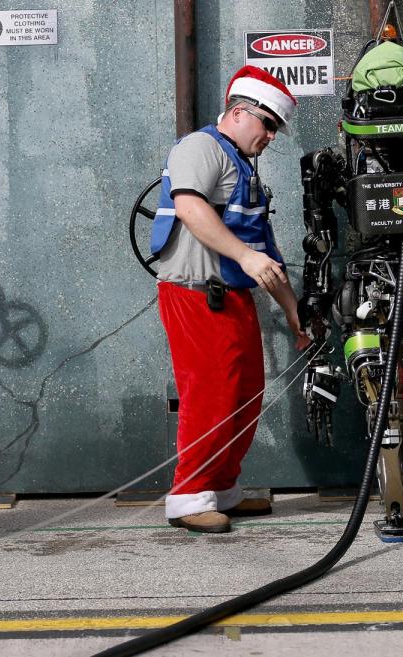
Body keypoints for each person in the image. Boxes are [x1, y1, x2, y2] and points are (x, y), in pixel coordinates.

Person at [150, 66, 310, 533]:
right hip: (197, 293)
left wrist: (293, 312)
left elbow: (264, 255)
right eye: (268, 125)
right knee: (210, 395)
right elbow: (189, 206)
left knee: (243, 395)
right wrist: (244, 255)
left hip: (231, 297)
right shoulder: (200, 147)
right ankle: (187, 495)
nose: (271, 137)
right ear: (239, 113)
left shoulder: (244, 168)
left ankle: (220, 489)